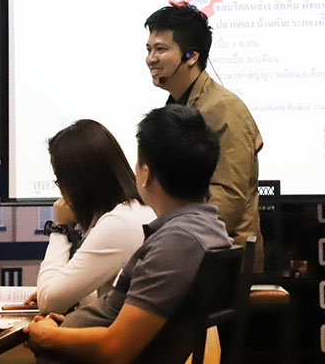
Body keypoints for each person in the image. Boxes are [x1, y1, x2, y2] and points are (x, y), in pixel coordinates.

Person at [24, 104, 231, 364]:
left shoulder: (177, 243)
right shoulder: (203, 230)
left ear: (145, 174)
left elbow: (115, 349)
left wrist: (47, 336)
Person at [144, 2, 264, 271]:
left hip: (223, 262)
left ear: (191, 56)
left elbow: (227, 201)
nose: (151, 58)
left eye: (161, 49)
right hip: (194, 251)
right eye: (149, 50)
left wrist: (171, 242)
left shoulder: (223, 108)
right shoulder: (178, 106)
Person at [34, 119, 156, 315]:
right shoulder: (138, 210)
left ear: (78, 181)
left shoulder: (118, 224)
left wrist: (61, 228)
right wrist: (68, 291)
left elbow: (48, 302)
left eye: (59, 180)